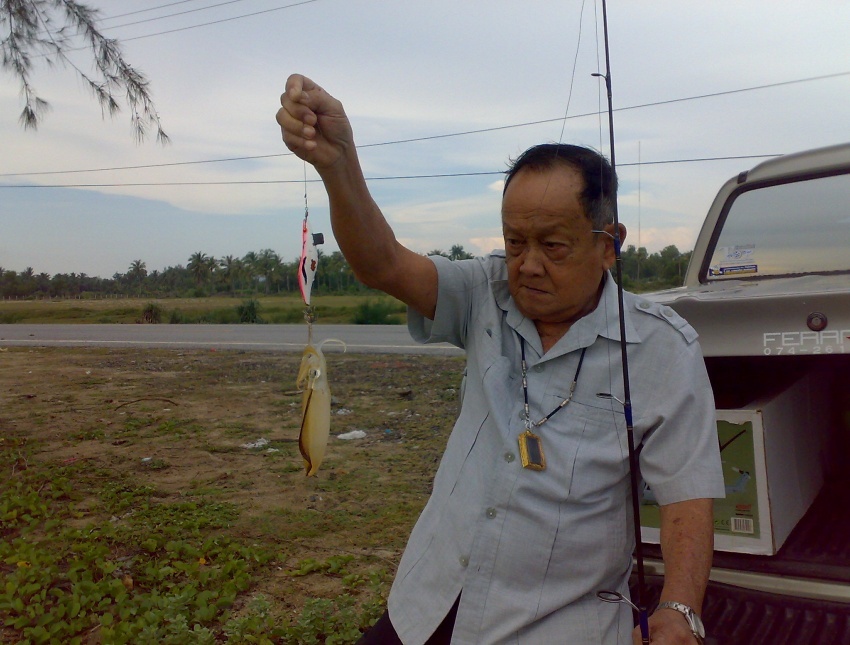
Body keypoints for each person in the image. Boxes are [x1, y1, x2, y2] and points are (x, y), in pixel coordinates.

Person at [277, 74, 725, 645]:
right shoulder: (483, 293)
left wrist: (680, 608)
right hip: (428, 606)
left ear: (608, 243)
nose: (528, 265)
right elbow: (383, 263)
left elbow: (687, 492)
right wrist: (338, 166)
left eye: (553, 245)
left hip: (557, 626)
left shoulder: (662, 347)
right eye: (515, 242)